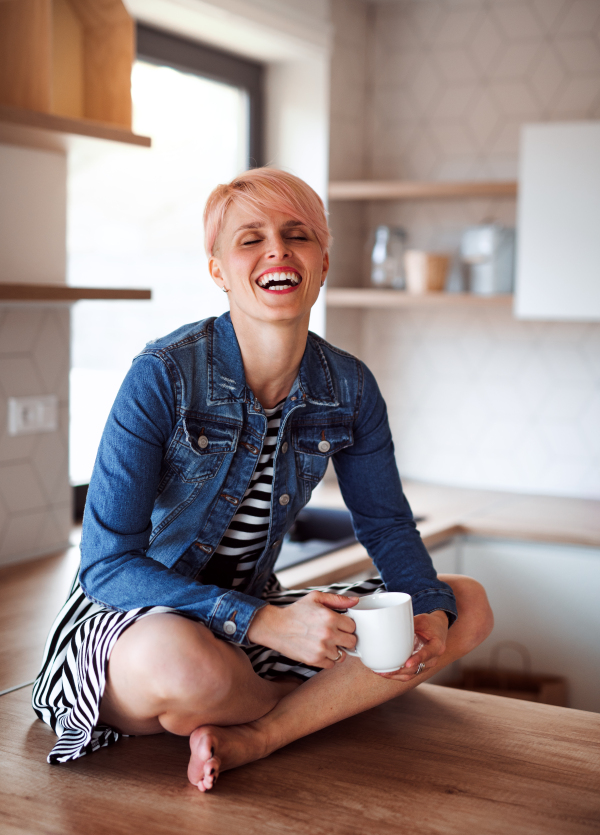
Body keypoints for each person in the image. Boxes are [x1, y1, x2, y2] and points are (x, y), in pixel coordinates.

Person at [33, 168, 493, 791]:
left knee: (462, 601)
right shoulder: (162, 376)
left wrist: (427, 609)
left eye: (296, 234)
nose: (277, 248)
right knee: (187, 663)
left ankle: (258, 735)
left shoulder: (350, 388)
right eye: (249, 238)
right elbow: (108, 565)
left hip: (254, 624)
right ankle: (315, 704)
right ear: (218, 270)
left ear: (322, 263)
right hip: (133, 624)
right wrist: (265, 624)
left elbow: (386, 526)